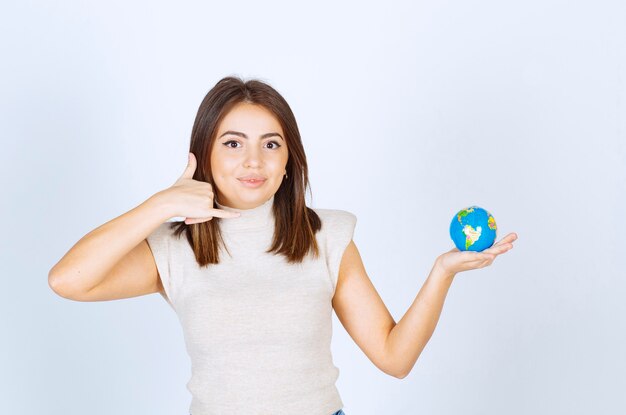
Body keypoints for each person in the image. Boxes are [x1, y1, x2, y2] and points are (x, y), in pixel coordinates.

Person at [48, 76, 518, 415]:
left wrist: (442, 272)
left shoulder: (326, 235)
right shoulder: (175, 248)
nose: (254, 160)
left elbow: (395, 358)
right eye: (233, 144)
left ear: (289, 159)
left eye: (271, 144)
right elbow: (67, 280)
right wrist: (160, 205)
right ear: (205, 154)